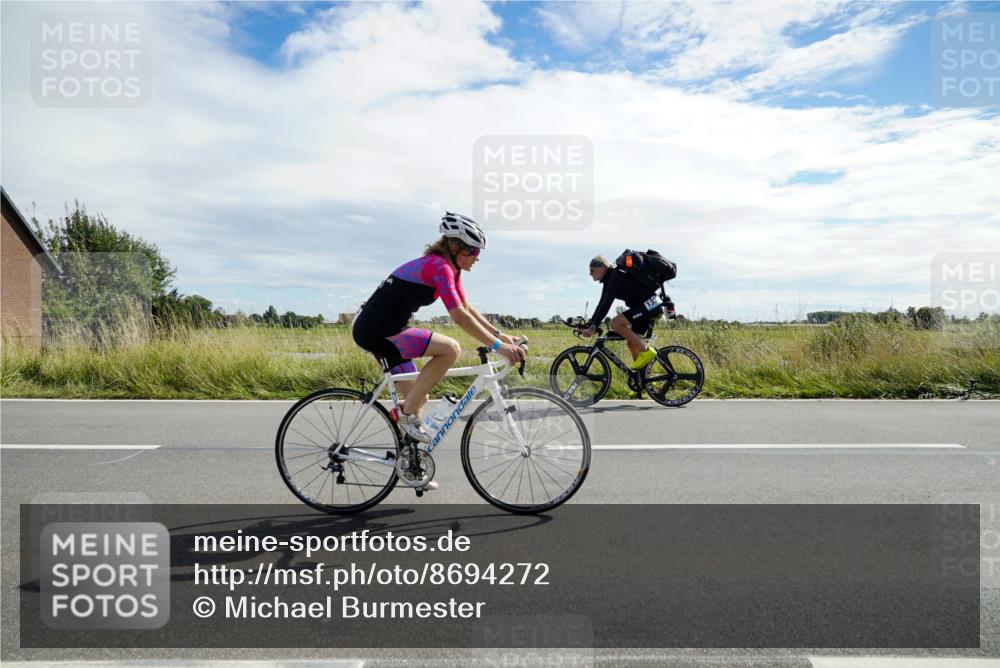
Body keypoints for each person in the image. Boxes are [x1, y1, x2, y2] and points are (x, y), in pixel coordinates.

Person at [352, 212, 526, 449]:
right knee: (450, 349)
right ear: (455, 246)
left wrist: (499, 335)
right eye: (473, 251)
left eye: (478, 252)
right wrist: (499, 348)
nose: (477, 258)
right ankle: (407, 415)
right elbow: (459, 316)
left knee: (418, 397)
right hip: (377, 330)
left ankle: (409, 460)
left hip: (387, 329)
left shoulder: (450, 269)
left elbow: (466, 306)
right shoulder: (439, 267)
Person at [578, 254, 662, 369]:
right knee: (632, 342)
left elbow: (607, 303)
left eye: (592, 270)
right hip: (646, 305)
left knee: (615, 323)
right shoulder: (609, 280)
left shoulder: (616, 275)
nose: (590, 273)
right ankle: (642, 378)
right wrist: (591, 323)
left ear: (602, 267)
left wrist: (593, 327)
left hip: (650, 305)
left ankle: (647, 351)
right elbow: (601, 303)